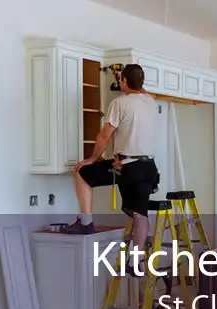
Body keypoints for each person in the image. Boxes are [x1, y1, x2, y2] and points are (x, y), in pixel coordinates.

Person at [62, 64, 159, 265]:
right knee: (140, 215)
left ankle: (86, 223)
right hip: (148, 167)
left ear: (123, 81)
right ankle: (136, 261)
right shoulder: (149, 101)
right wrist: (127, 77)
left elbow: (105, 135)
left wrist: (93, 158)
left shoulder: (119, 103)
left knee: (82, 173)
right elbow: (139, 89)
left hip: (126, 166)